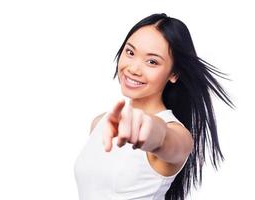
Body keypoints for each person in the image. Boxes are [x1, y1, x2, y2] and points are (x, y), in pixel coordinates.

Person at [74, 13, 234, 200]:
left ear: (174, 73)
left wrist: (150, 130)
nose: (133, 68)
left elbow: (164, 138)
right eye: (130, 52)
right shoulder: (101, 123)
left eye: (152, 61)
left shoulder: (177, 134)